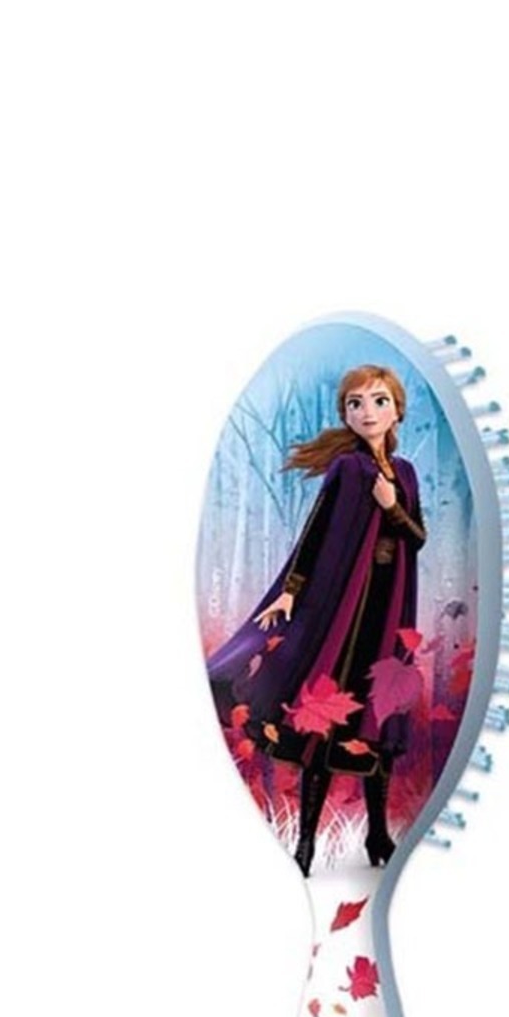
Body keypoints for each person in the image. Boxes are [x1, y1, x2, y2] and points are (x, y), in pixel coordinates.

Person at [207, 364, 427, 875]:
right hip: (344, 609)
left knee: (377, 715)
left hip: (388, 608)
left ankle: (377, 834)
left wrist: (392, 506)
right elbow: (315, 531)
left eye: (378, 401)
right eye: (355, 403)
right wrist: (290, 592)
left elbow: (416, 537)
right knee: (326, 713)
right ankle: (305, 844)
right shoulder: (348, 469)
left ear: (397, 409)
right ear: (345, 414)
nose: (366, 412)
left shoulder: (405, 473)